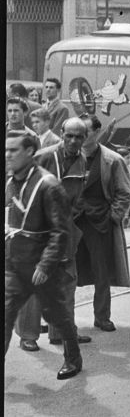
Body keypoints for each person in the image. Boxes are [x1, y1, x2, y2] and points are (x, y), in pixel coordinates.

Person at [4, 129, 84, 380]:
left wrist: (46, 265)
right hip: (16, 264)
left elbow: (61, 232)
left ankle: (73, 359)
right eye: (6, 150)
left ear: (29, 152)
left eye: (13, 150)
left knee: (56, 315)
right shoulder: (11, 181)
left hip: (42, 266)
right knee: (5, 313)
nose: (7, 155)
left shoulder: (48, 185)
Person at [31, 118, 93, 349]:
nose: (73, 141)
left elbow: (80, 192)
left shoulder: (82, 159)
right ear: (61, 133)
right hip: (38, 229)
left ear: (84, 138)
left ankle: (63, 333)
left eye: (79, 136)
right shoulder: (45, 156)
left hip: (64, 230)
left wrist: (70, 215)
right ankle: (28, 336)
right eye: (69, 135)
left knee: (67, 281)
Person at [73, 114, 130, 332]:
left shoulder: (112, 160)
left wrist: (113, 217)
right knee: (67, 272)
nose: (79, 137)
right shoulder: (67, 157)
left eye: (85, 132)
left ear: (96, 133)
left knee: (102, 271)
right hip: (73, 222)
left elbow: (124, 193)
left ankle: (102, 316)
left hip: (100, 223)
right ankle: (65, 320)